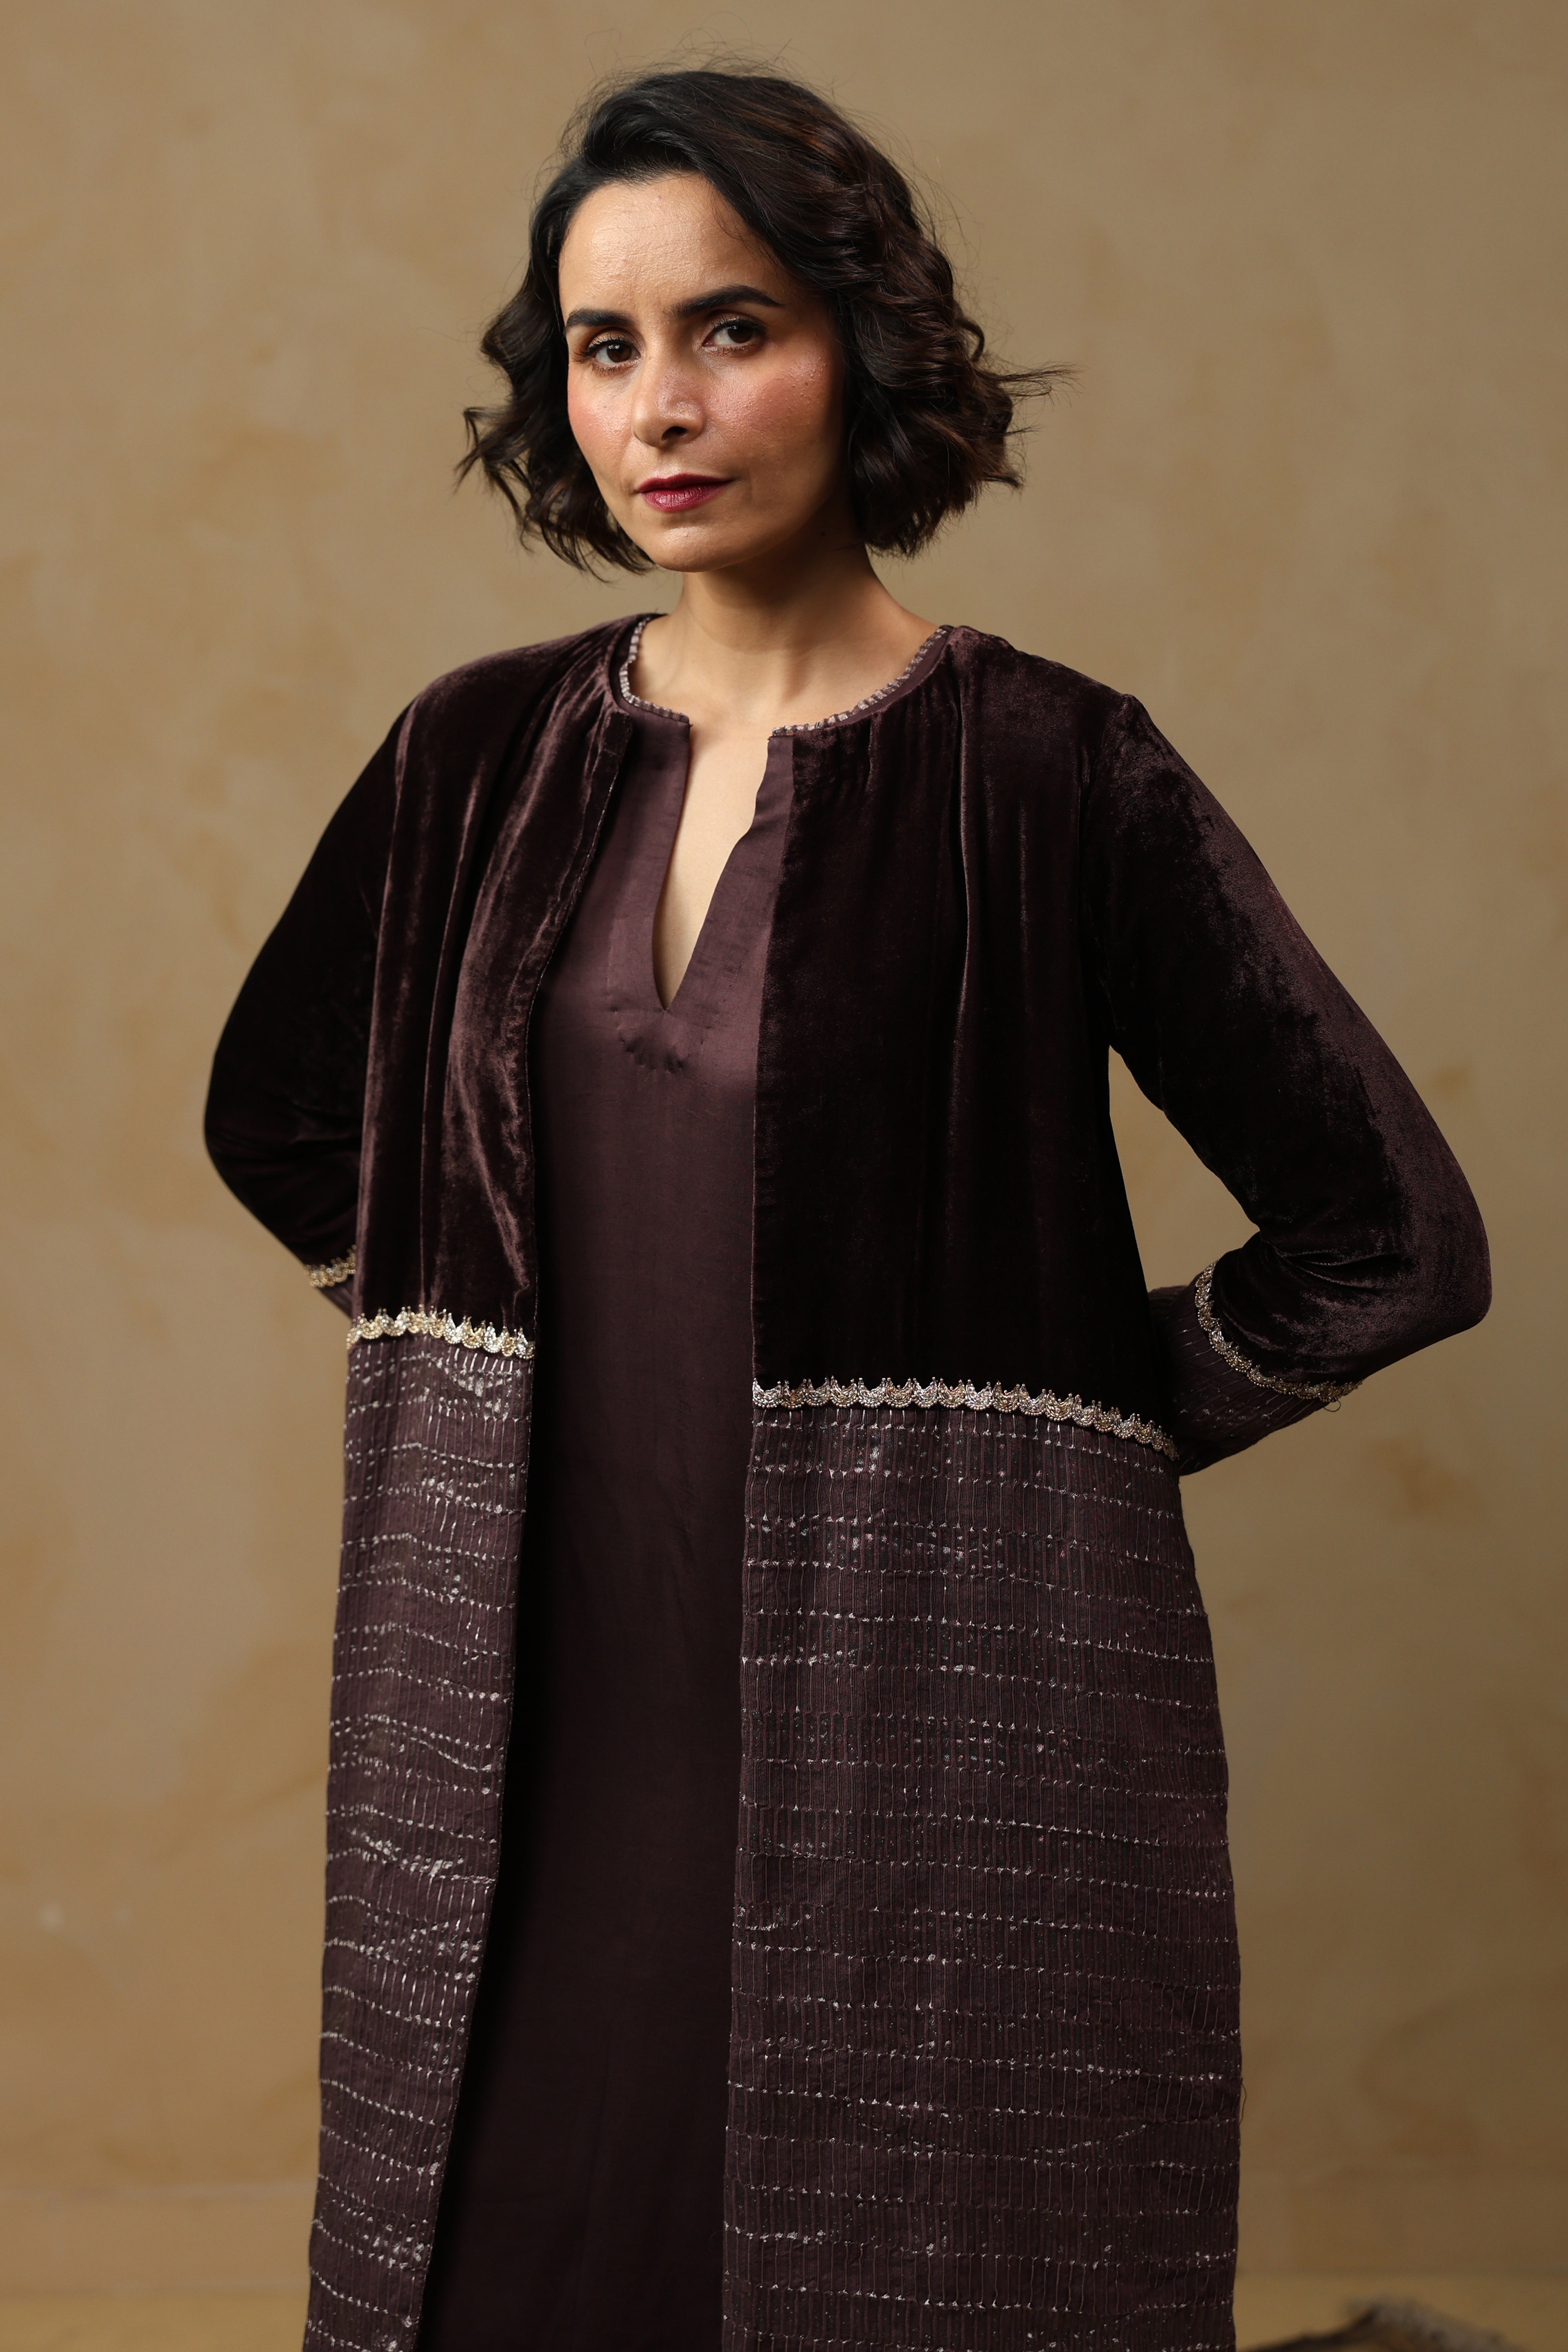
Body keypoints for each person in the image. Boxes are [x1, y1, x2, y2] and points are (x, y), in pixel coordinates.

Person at [205, 64, 1490, 2352]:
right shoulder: (468, 754)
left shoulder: (1056, 769)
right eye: (604, 347)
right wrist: (481, 1360)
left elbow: (1391, 1232)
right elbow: (275, 1116)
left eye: (734, 329)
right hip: (519, 1650)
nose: (662, 408)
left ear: (860, 347)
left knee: (906, 2248)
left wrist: (1079, 1424)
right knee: (492, 2235)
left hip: (922, 1667)